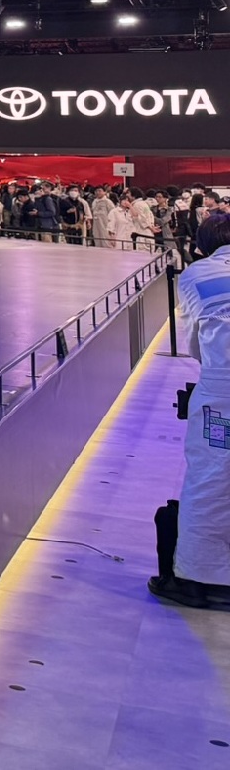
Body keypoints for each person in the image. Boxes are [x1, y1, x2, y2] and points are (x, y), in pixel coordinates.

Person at [155, 213, 230, 608]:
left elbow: (196, 343)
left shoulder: (198, 274)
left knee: (211, 479)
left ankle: (196, 579)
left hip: (222, 393)